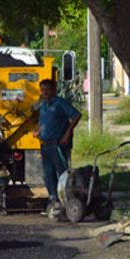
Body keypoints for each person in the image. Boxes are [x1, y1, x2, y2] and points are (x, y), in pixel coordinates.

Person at [33, 79, 81, 210]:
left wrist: (67, 134)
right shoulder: (43, 105)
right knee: (48, 173)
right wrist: (38, 131)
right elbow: (42, 122)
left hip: (58, 144)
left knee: (62, 173)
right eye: (43, 90)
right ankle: (53, 199)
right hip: (46, 145)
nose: (45, 92)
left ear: (54, 90)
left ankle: (67, 199)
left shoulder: (60, 103)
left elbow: (76, 116)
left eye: (48, 90)